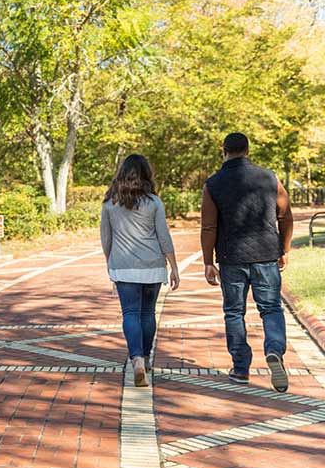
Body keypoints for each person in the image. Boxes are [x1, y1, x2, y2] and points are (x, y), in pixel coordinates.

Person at [201, 132, 294, 392]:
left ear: (224, 150)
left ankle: (240, 368)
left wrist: (208, 262)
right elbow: (285, 216)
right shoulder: (269, 177)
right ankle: (274, 350)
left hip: (232, 258)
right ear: (248, 149)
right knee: (271, 308)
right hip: (266, 254)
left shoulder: (213, 184)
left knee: (234, 312)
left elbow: (209, 226)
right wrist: (283, 249)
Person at [100, 154, 180, 387]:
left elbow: (106, 239)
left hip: (123, 267)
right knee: (147, 314)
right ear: (146, 174)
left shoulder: (109, 204)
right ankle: (145, 357)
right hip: (153, 266)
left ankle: (136, 359)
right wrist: (174, 266)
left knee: (131, 314)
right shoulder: (154, 202)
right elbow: (163, 236)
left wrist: (110, 262)